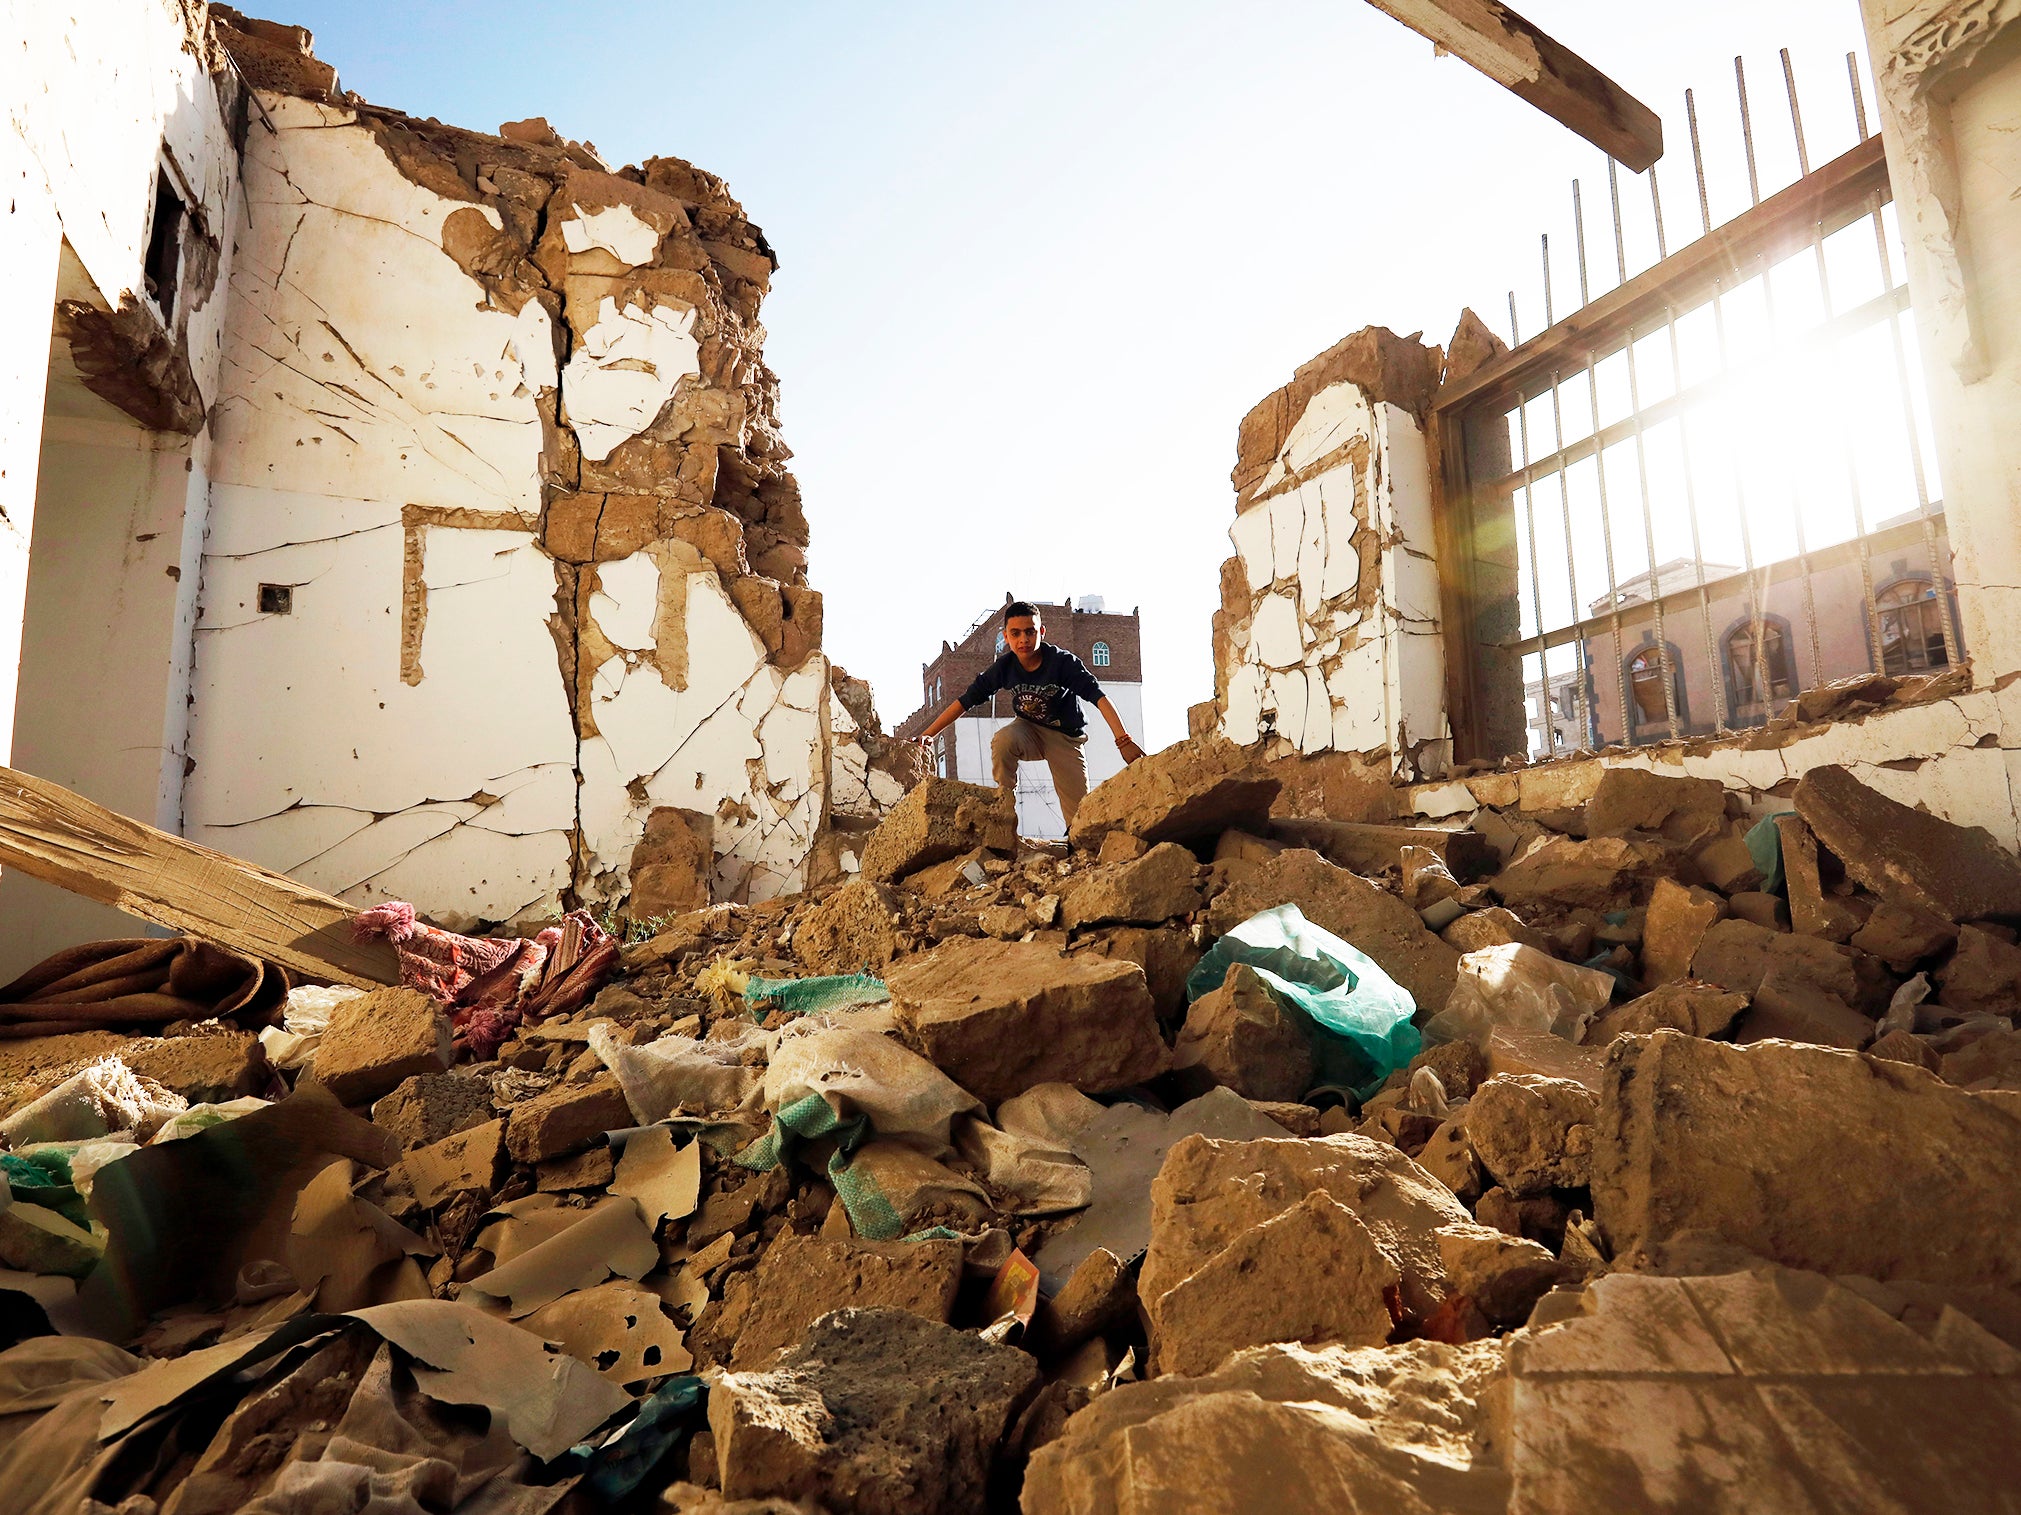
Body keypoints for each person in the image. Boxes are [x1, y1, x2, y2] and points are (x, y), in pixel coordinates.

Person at [913, 600, 1144, 827]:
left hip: (1065, 737)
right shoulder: (1004, 667)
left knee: (1079, 818)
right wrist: (929, 734)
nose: (1023, 639)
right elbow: (965, 701)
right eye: (1015, 634)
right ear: (1006, 637)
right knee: (1003, 740)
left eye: (1030, 632)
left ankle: (1080, 851)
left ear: (1041, 632)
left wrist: (1123, 740)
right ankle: (1004, 804)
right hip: (1028, 730)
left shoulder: (1062, 663)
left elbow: (1099, 698)